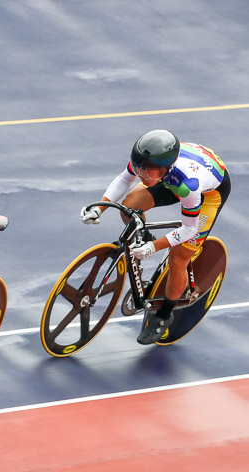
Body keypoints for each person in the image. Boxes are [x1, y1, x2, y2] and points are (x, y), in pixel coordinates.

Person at [80, 129, 230, 344]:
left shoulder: (188, 185)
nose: (142, 175)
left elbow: (189, 229)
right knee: (129, 207)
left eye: (147, 172)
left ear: (165, 167)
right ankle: (144, 235)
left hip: (207, 193)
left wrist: (155, 246)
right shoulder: (146, 163)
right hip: (174, 175)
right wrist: (99, 209)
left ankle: (164, 314)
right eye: (140, 169)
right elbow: (124, 180)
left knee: (179, 257)